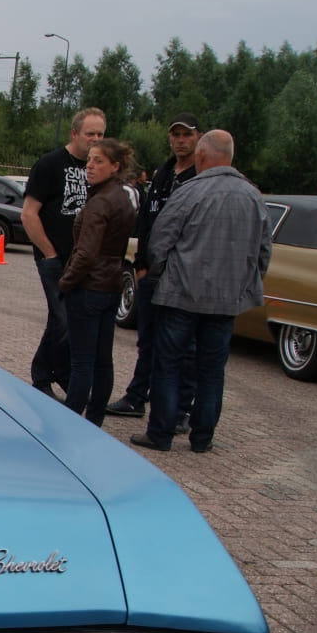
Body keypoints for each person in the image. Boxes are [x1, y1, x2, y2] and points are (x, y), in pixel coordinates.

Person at [131, 130, 272, 454]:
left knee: (168, 363)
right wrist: (244, 284)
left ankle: (161, 432)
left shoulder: (189, 191)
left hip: (181, 294)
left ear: (202, 157)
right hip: (225, 301)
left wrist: (160, 274)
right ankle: (202, 437)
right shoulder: (253, 197)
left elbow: (160, 240)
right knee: (212, 369)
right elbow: (263, 252)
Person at [105, 113, 202, 429]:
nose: (180, 140)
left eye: (186, 135)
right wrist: (142, 266)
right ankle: (136, 396)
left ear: (198, 137)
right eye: (175, 135)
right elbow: (146, 221)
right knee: (147, 340)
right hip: (152, 274)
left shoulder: (201, 176)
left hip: (183, 277)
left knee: (183, 346)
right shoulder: (163, 174)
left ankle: (182, 409)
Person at [22, 107, 107, 398]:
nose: (94, 140)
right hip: (54, 257)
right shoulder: (50, 164)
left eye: (100, 135)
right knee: (63, 319)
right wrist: (49, 254)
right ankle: (53, 374)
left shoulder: (98, 169)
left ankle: (47, 373)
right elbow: (29, 214)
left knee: (65, 319)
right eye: (89, 134)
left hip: (83, 261)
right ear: (74, 134)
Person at [57, 138, 139, 425]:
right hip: (111, 286)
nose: (90, 166)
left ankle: (71, 423)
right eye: (89, 160)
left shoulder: (101, 202)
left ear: (115, 166)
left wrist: (65, 283)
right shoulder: (123, 196)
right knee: (103, 360)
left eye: (98, 161)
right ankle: (94, 419)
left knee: (82, 362)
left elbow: (86, 254)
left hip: (90, 287)